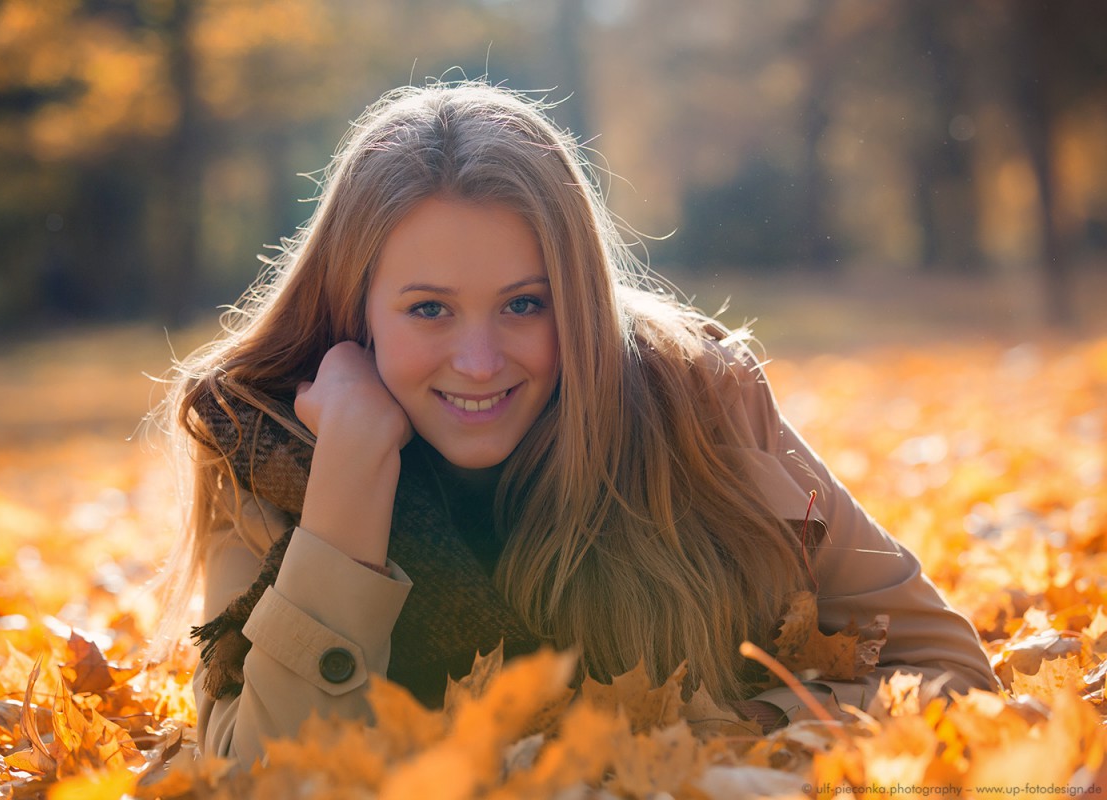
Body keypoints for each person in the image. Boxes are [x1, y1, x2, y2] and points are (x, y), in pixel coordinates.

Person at [163, 81, 996, 764]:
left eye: (526, 304)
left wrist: (730, 743)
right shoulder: (262, 440)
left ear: (584, 303)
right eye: (429, 310)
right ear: (356, 311)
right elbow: (260, 779)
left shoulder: (696, 397)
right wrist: (347, 482)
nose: (482, 362)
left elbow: (949, 672)